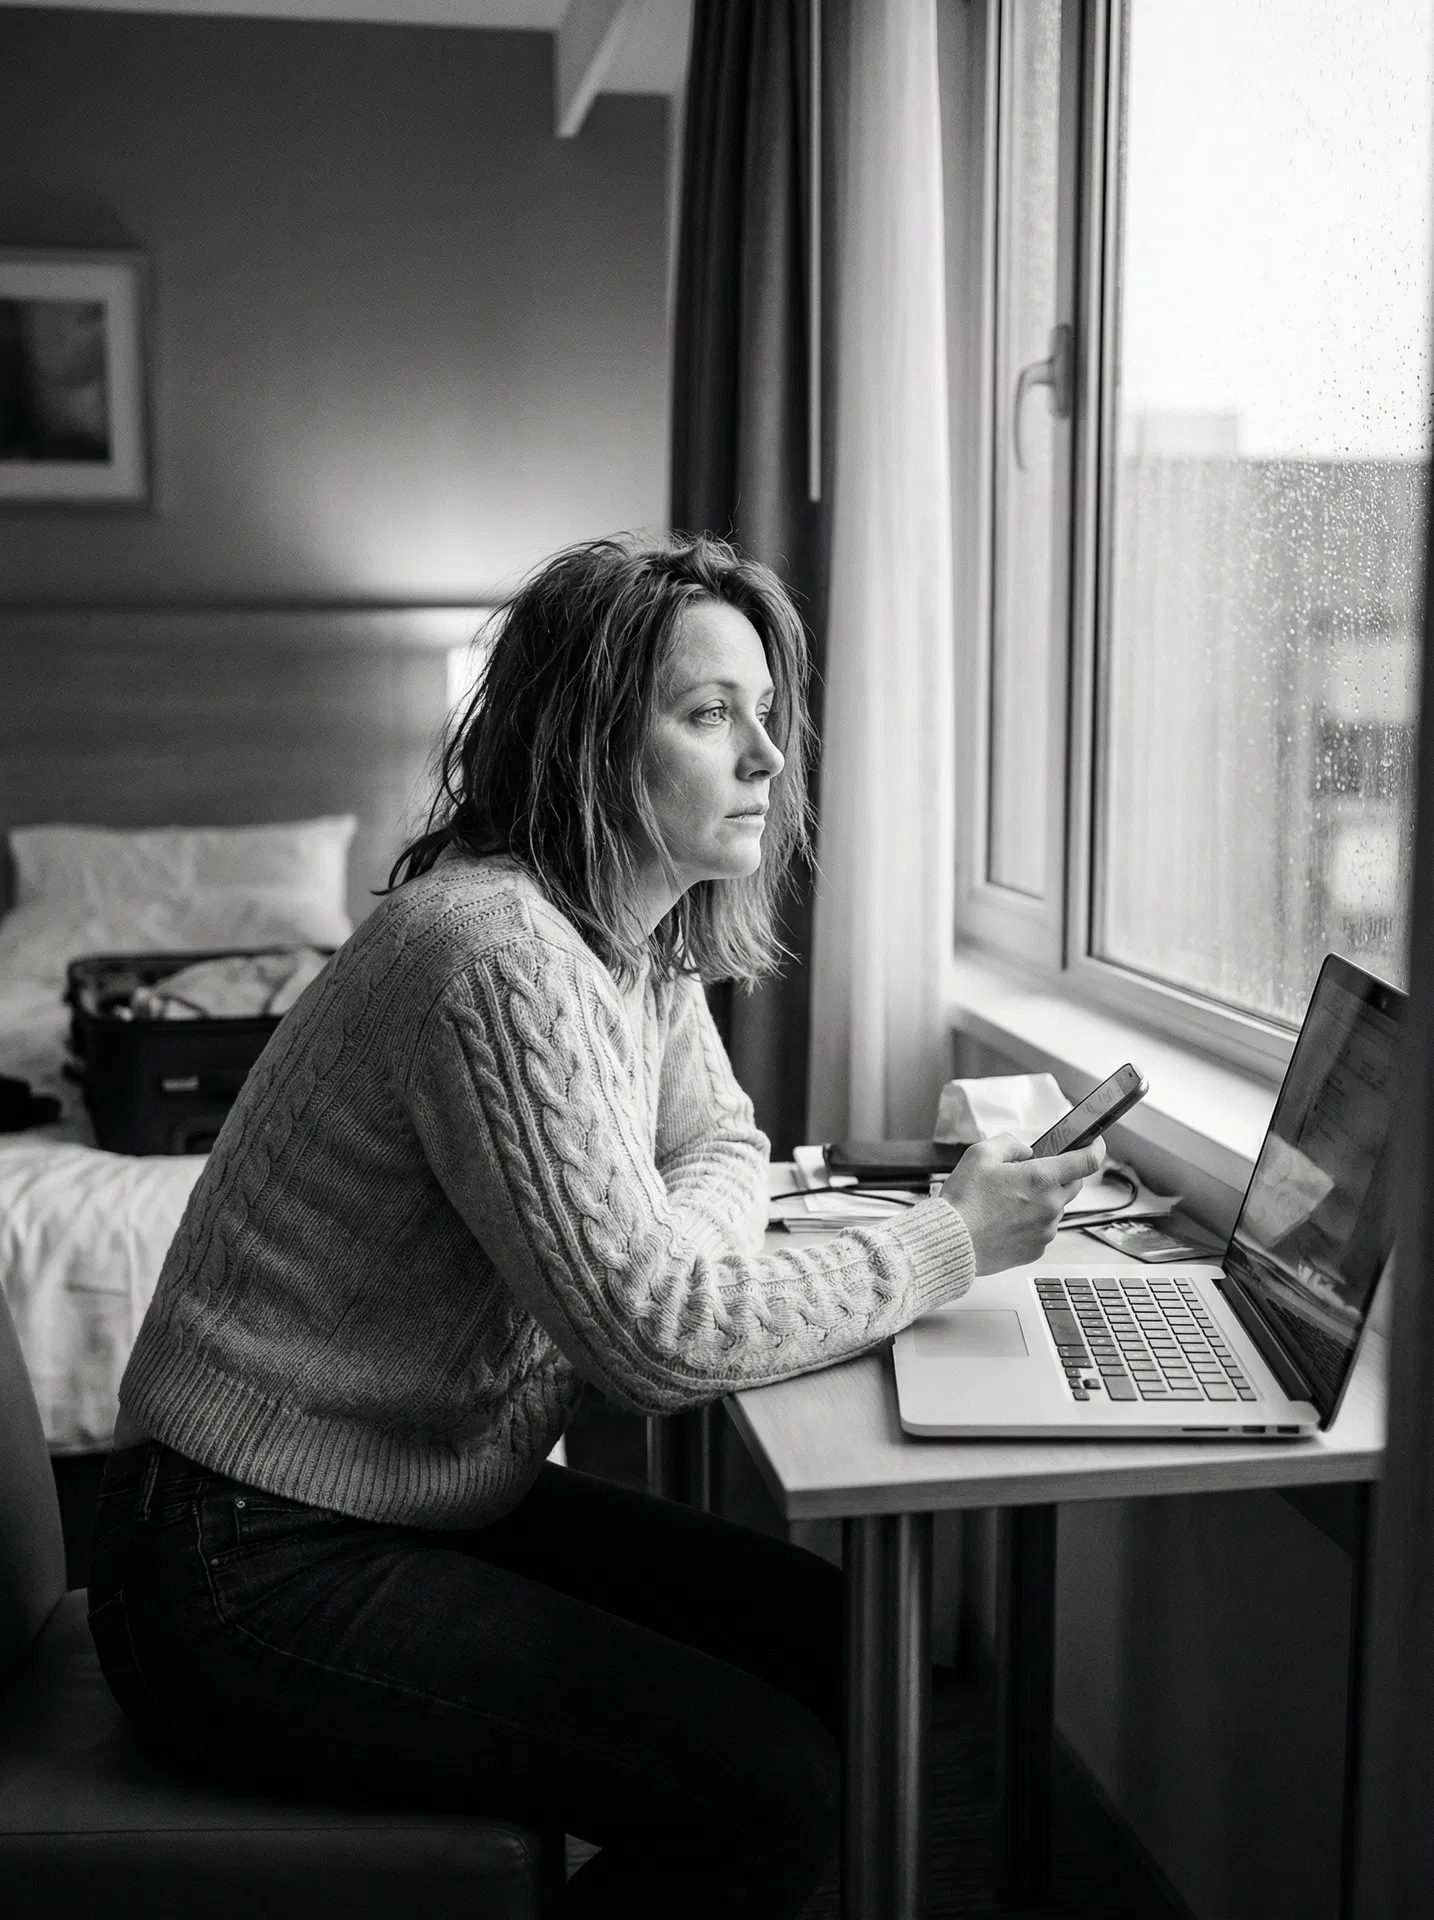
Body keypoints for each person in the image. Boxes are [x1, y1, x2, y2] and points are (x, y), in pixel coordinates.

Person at [89, 532, 1102, 1919]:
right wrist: (948, 1243)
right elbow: (656, 1343)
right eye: (706, 715)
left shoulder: (630, 938)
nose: (765, 758)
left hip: (415, 1490)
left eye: (765, 714)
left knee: (838, 1641)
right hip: (238, 1558)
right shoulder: (490, 955)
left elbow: (719, 1141)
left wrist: (676, 1240)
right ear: (586, 746)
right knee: (768, 1792)